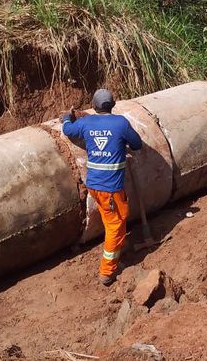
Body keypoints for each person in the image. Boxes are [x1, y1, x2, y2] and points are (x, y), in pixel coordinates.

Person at [62, 89, 143, 286]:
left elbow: (68, 130)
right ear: (113, 105)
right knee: (115, 225)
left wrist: (66, 117)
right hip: (111, 188)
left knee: (114, 219)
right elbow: (137, 144)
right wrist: (121, 144)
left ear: (94, 106)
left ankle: (118, 249)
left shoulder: (86, 123)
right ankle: (107, 271)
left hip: (94, 186)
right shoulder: (120, 123)